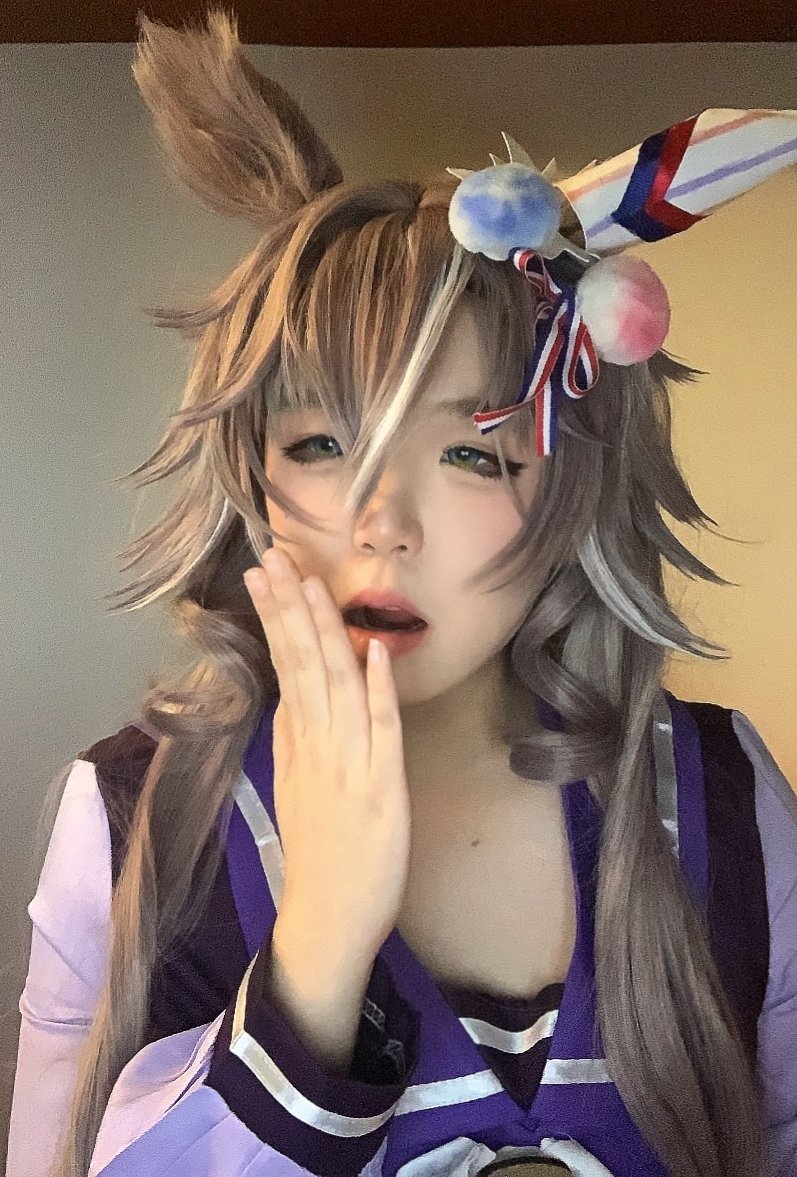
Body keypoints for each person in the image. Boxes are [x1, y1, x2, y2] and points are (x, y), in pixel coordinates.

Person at [6, 9, 797, 1177]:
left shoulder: (723, 797)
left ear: (572, 486)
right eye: (321, 442)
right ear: (253, 470)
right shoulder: (130, 824)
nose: (383, 522)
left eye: (474, 451)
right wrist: (317, 951)